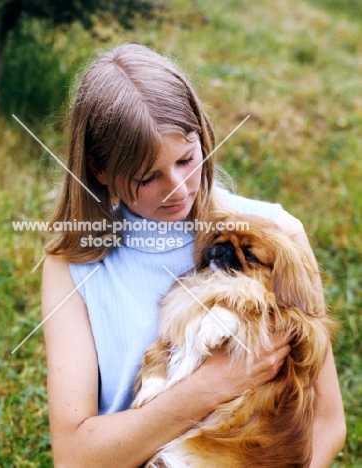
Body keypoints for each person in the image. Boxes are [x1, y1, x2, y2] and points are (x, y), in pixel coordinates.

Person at [41, 43, 345, 467]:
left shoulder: (279, 239)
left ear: (202, 134)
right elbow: (75, 458)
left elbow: (327, 424)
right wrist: (212, 384)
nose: (179, 189)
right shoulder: (74, 265)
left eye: (187, 159)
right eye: (148, 177)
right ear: (99, 170)